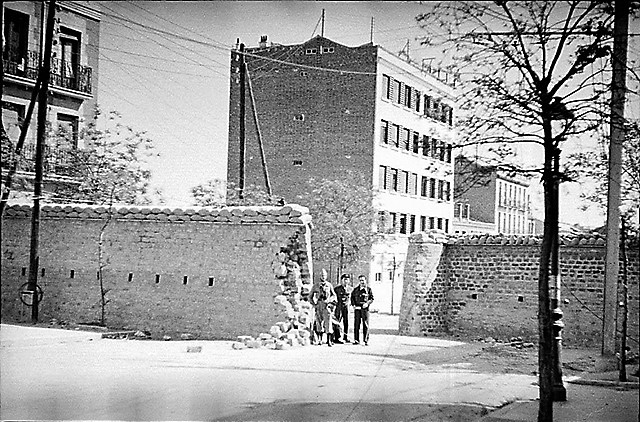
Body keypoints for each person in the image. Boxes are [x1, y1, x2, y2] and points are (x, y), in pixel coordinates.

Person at [310, 268, 337, 346]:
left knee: (328, 322)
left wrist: (330, 302)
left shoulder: (329, 285)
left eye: (324, 275)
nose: (323, 277)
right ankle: (320, 340)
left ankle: (329, 340)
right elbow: (310, 296)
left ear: (326, 276)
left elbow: (334, 295)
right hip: (319, 305)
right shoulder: (316, 286)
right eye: (322, 275)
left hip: (326, 305)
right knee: (319, 322)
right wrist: (314, 304)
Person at [351, 274, 373, 345]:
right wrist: (353, 305)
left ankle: (366, 340)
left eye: (363, 280)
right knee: (356, 324)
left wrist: (367, 303)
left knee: (365, 324)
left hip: (365, 309)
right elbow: (352, 298)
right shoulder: (356, 290)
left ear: (365, 280)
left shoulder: (368, 289)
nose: (362, 282)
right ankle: (356, 340)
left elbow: (372, 298)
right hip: (357, 309)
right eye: (360, 280)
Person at [333, 274, 352, 343]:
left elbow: (352, 299)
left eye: (347, 280)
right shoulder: (337, 289)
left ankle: (345, 337)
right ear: (341, 280)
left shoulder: (350, 289)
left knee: (346, 322)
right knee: (337, 322)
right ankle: (337, 337)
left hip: (346, 307)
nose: (345, 281)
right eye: (344, 279)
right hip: (339, 306)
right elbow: (333, 298)